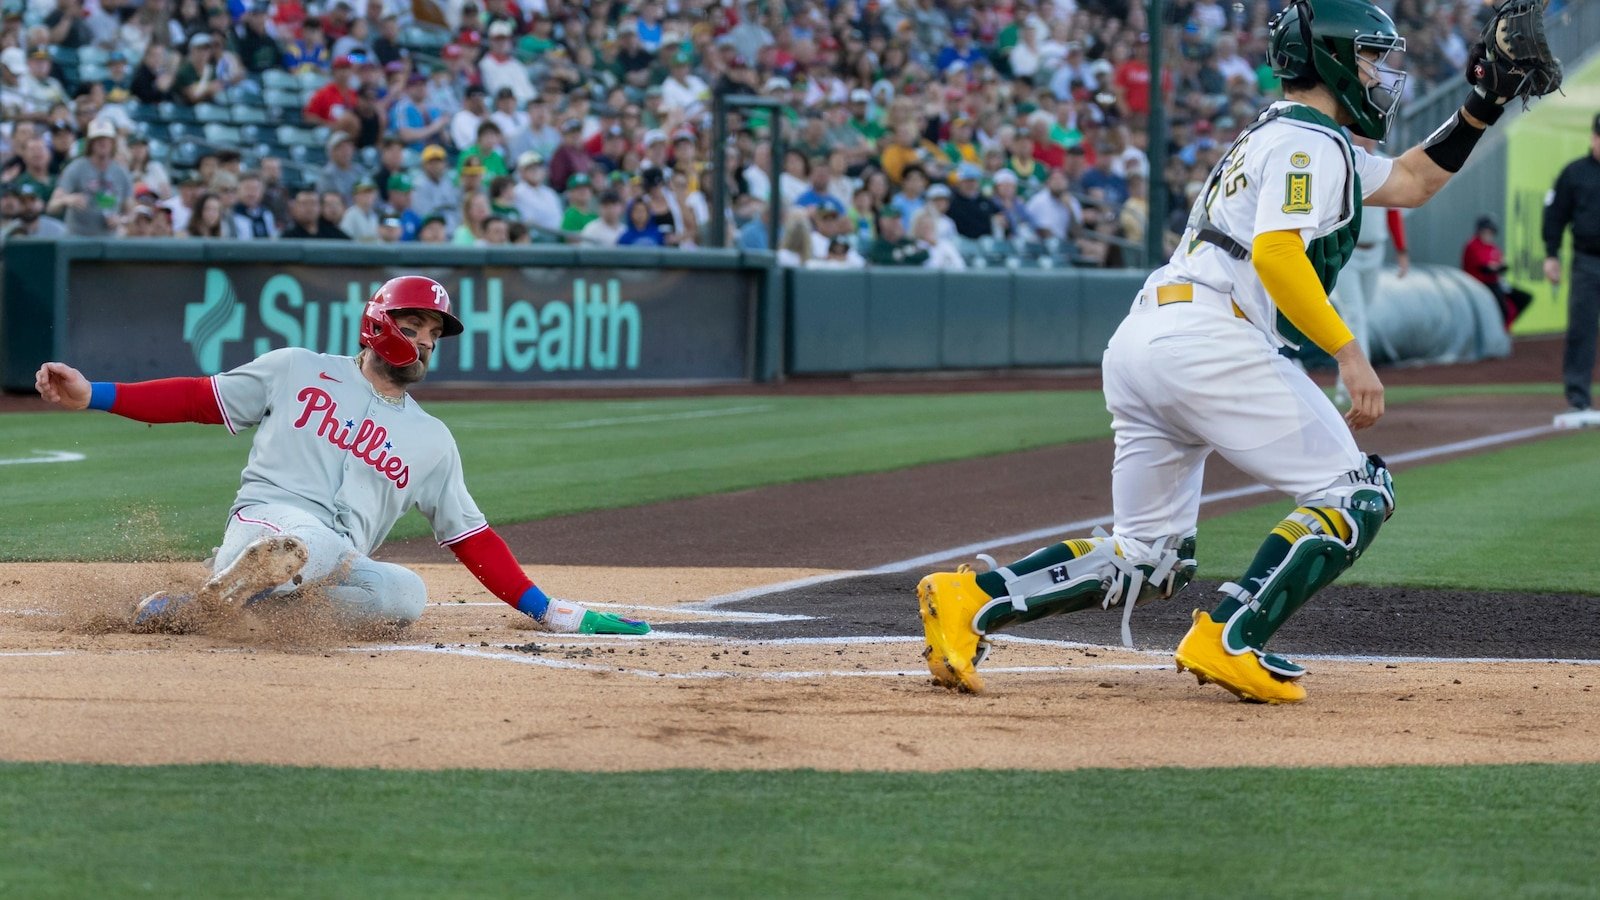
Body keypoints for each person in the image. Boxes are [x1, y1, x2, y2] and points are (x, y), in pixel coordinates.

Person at [917, 0, 1533, 703]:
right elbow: (1276, 254)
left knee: (1151, 559)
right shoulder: (1311, 142)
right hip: (1211, 338)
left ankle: (971, 599)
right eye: (1368, 55)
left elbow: (1417, 183)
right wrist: (1348, 352)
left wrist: (1483, 106)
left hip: (1150, 337)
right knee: (1357, 490)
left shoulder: (1284, 138)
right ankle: (1231, 636)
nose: (1379, 71)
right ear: (1331, 58)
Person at [33, 277, 649, 638]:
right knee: (306, 539)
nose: (426, 344)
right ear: (379, 325)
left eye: (433, 336)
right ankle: (247, 573)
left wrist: (550, 611)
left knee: (405, 595)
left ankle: (213, 610)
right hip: (268, 520)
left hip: (337, 559)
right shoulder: (298, 368)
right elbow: (201, 397)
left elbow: (471, 534)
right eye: (415, 328)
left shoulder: (433, 438)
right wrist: (95, 395)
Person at [1328, 134, 1410, 405]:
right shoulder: (1342, 159)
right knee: (1356, 317)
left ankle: (1352, 380)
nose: (1369, 137)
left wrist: (1402, 251)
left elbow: (1393, 212)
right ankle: (1351, 386)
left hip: (1375, 251)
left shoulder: (1385, 164)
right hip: (1348, 251)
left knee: (1364, 314)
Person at [1541, 112, 1600, 413]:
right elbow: (1555, 215)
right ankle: (1578, 398)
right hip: (1588, 261)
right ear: (1593, 138)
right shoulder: (1575, 173)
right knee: (1582, 329)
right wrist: (1551, 254)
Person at [47, 119, 131, 237]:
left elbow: (130, 211)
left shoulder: (121, 172)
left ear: (113, 142)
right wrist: (68, 199)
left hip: (110, 240)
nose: (102, 143)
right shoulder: (76, 168)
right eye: (97, 139)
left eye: (106, 138)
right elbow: (52, 206)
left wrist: (120, 220)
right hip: (78, 238)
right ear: (90, 143)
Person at [1462, 216, 1531, 329]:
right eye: (1486, 231)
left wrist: (1500, 266)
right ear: (1480, 231)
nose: (1489, 234)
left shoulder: (1492, 247)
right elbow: (1484, 267)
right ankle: (1498, 330)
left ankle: (1505, 327)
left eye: (1491, 232)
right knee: (1501, 309)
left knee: (1524, 298)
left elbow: (1500, 264)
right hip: (1478, 284)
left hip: (1494, 282)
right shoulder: (1472, 245)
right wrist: (1495, 267)